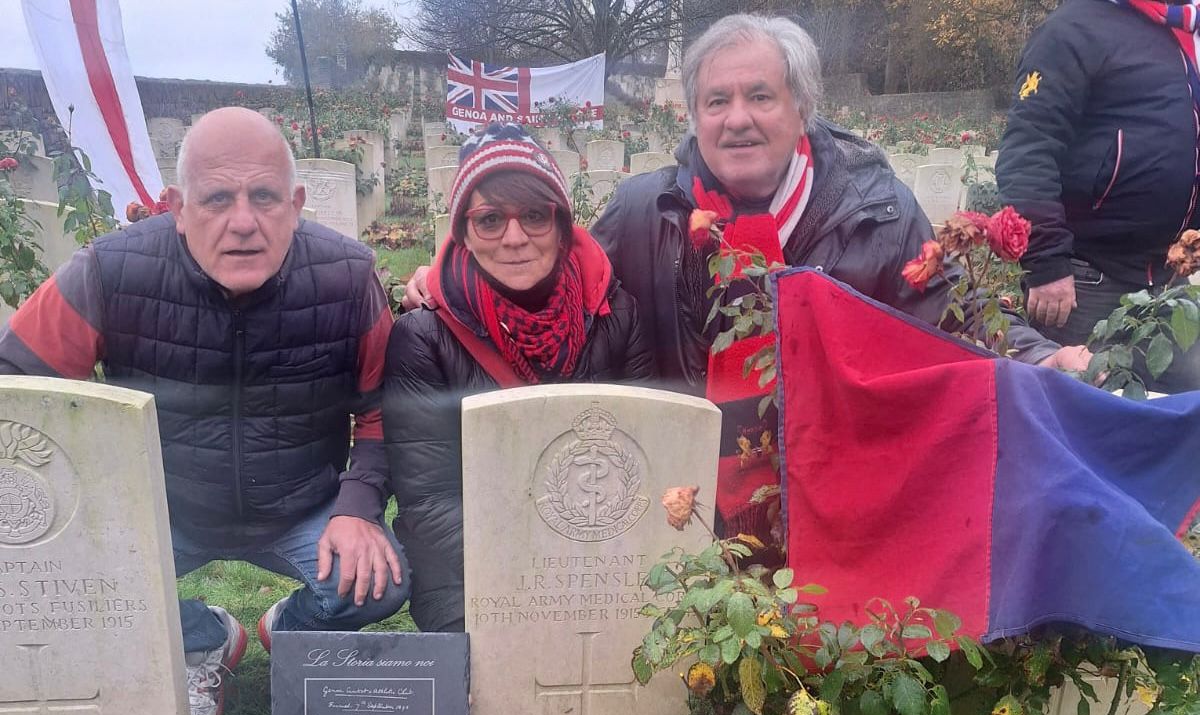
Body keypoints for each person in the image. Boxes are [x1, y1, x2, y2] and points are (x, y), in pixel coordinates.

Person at [403, 15, 1089, 546]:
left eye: (760, 96)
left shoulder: (874, 210)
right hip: (686, 505)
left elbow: (950, 307)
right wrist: (451, 276)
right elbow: (561, 276)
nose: (737, 119)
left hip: (833, 492)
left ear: (801, 107)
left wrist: (1036, 356)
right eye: (716, 100)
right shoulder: (645, 211)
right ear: (694, 117)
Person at [0, 107, 410, 715]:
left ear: (296, 204)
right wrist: (88, 505)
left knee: (383, 582)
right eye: (217, 198)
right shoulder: (110, 272)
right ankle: (204, 636)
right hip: (161, 510)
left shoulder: (347, 278)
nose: (243, 222)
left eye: (264, 197)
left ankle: (289, 628)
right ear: (177, 207)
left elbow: (382, 410)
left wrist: (357, 508)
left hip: (300, 504)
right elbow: (19, 390)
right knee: (48, 578)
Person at [382, 124, 654, 632]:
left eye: (534, 215)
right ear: (463, 232)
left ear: (561, 225)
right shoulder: (423, 338)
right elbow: (429, 500)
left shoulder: (615, 314)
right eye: (489, 220)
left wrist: (589, 562)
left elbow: (645, 456)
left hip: (603, 555)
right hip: (469, 567)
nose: (514, 238)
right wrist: (540, 569)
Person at [997, 0, 1200, 392]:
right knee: (1086, 417)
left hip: (1171, 281)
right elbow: (1028, 150)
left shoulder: (1182, 34)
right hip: (1086, 284)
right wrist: (1046, 259)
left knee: (1178, 415)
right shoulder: (1075, 28)